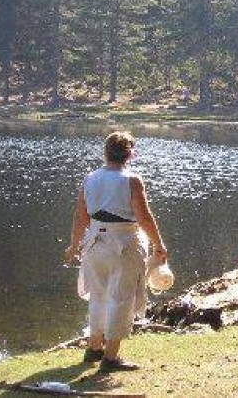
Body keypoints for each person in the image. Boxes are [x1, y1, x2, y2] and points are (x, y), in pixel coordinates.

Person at [64, 131, 168, 373]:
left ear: (105, 152)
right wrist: (158, 245)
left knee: (98, 295)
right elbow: (144, 217)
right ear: (130, 154)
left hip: (94, 244)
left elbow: (80, 216)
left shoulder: (90, 178)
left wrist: (74, 244)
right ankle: (110, 358)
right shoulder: (132, 180)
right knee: (122, 299)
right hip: (123, 243)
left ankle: (94, 347)